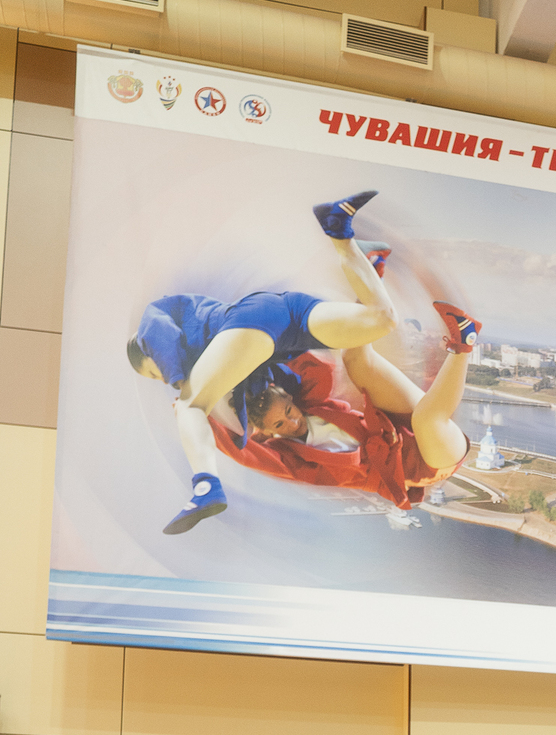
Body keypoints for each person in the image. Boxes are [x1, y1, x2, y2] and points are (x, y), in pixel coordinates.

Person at [128, 189, 421, 534]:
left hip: (251, 323)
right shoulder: (237, 369)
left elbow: (168, 349)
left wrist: (182, 385)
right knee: (381, 319)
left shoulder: (151, 332)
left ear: (147, 354)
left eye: (154, 373)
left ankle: (205, 487)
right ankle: (344, 238)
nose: (163, 379)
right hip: (284, 315)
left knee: (189, 407)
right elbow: (249, 402)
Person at [215, 291, 479, 527]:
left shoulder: (310, 405)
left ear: (289, 399)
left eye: (288, 412)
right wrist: (200, 408)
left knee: (356, 358)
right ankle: (464, 341)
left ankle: (369, 280)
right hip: (428, 465)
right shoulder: (294, 459)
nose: (292, 423)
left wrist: (269, 349)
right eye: (279, 425)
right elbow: (244, 453)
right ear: (265, 431)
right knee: (427, 418)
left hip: (401, 429)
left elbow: (316, 369)